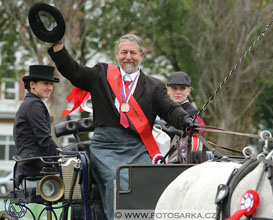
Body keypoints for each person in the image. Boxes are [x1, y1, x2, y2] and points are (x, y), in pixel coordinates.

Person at [48, 34, 193, 220]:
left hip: (138, 148)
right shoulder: (101, 74)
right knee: (117, 179)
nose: (128, 56)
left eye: (133, 52)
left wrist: (187, 120)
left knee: (147, 180)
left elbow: (170, 110)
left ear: (141, 55)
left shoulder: (154, 85)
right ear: (116, 54)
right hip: (106, 147)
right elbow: (73, 71)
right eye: (124, 52)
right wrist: (59, 47)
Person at [13, 65, 60, 187]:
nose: (49, 87)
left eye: (51, 84)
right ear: (32, 84)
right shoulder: (33, 105)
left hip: (33, 167)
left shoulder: (31, 103)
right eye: (45, 83)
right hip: (34, 170)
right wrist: (61, 158)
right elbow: (44, 139)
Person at [166, 71, 205, 151]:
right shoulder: (160, 110)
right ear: (167, 90)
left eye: (182, 89)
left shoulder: (193, 113)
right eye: (174, 88)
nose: (178, 92)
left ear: (189, 91)